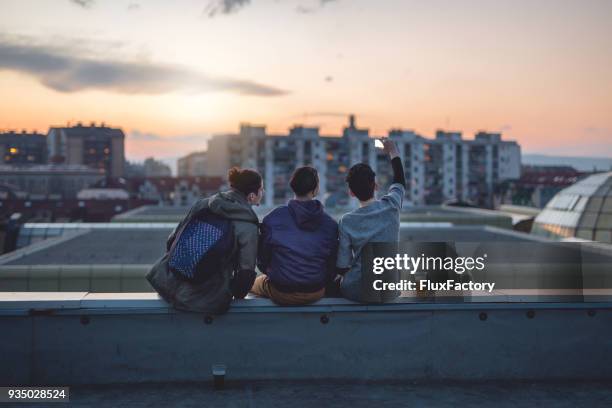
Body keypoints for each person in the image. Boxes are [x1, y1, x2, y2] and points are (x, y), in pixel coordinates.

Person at [146, 167, 263, 314]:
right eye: (261, 189)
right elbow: (245, 274)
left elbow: (172, 241)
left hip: (166, 283)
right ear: (252, 196)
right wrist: (234, 294)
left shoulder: (203, 204)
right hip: (205, 300)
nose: (262, 193)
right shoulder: (247, 225)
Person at [251, 166, 338, 305]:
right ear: (315, 190)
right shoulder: (330, 224)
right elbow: (332, 266)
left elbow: (262, 261)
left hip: (281, 292)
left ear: (293, 187)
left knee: (254, 284)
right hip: (315, 291)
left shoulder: (273, 218)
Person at [332, 138, 406, 302]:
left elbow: (342, 266)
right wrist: (393, 151)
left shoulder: (347, 221)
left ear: (351, 192)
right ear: (376, 186)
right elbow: (400, 181)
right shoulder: (392, 206)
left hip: (357, 291)